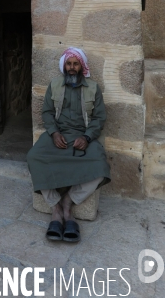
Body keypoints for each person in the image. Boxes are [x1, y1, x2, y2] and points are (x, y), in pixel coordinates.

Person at [27, 47, 111, 242]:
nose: (72, 68)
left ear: (82, 66)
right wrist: (54, 133)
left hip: (82, 136)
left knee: (100, 167)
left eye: (76, 64)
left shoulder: (93, 88)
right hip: (58, 135)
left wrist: (88, 137)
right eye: (69, 64)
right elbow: (47, 112)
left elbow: (99, 118)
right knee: (34, 157)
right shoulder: (54, 85)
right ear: (64, 66)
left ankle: (68, 201)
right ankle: (55, 207)